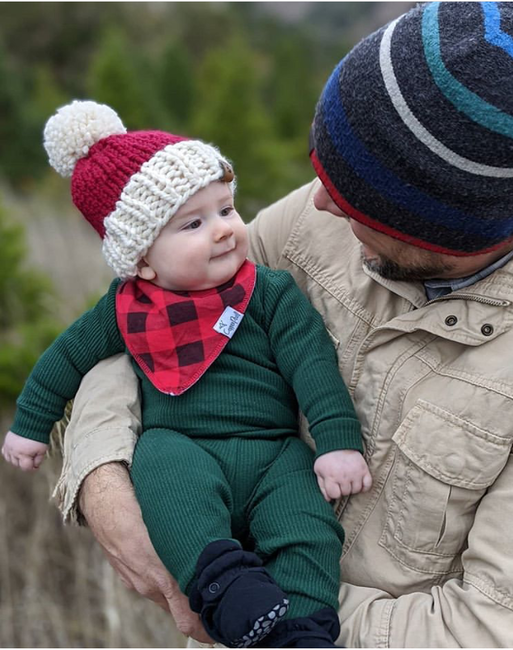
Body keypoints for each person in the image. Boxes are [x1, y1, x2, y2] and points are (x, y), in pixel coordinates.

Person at [40, 2, 513, 647]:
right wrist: (102, 470)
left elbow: (485, 626)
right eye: (321, 169)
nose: (316, 200)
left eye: (351, 199)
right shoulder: (314, 222)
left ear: (441, 226)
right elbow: (152, 317)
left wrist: (273, 613)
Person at [2, 100, 373, 648]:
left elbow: (312, 365)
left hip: (272, 448)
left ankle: (304, 627)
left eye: (226, 209)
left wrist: (337, 443)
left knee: (305, 525)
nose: (223, 231)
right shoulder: (124, 309)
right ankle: (227, 588)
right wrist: (30, 425)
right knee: (167, 483)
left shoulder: (268, 293)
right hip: (184, 442)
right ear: (144, 260)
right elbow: (67, 358)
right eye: (194, 223)